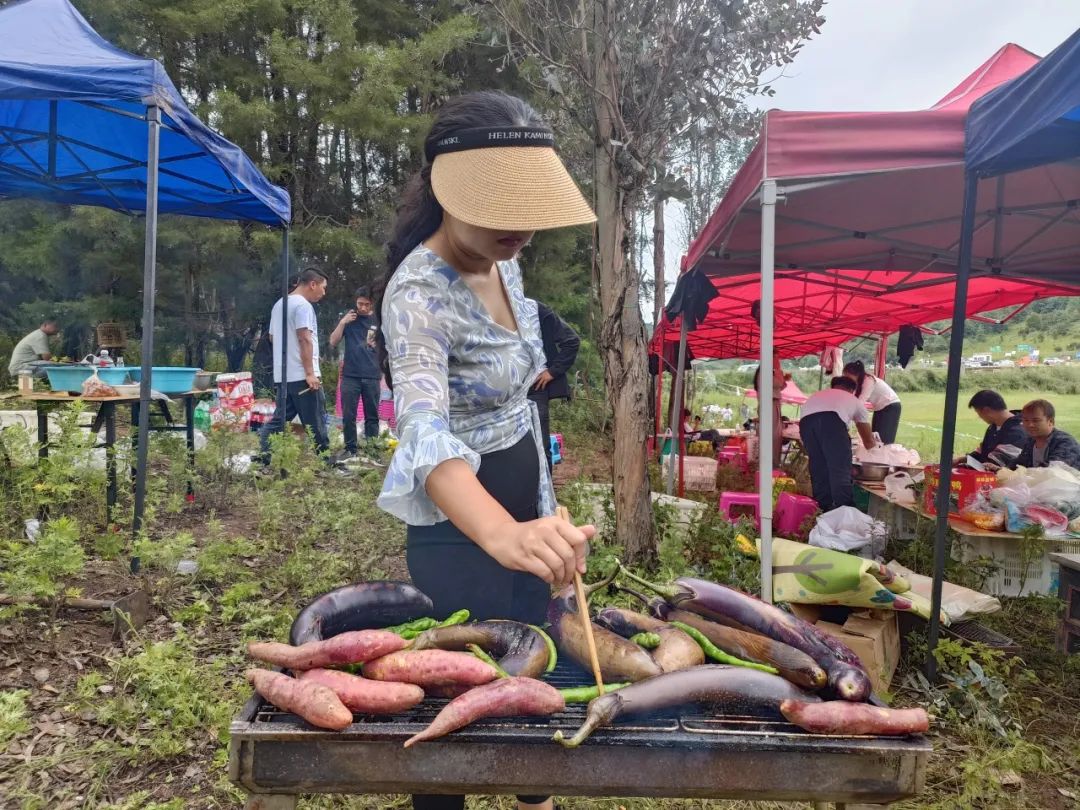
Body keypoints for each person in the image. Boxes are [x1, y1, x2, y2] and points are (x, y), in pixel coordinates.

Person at [373, 90, 596, 810]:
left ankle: (535, 795)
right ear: (445, 190)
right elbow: (422, 428)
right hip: (460, 534)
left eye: (527, 208)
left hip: (525, 507)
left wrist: (540, 515)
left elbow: (517, 395)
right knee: (452, 704)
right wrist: (501, 531)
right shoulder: (418, 294)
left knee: (534, 673)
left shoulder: (505, 260)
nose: (520, 228)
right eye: (499, 207)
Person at [257, 268, 330, 464]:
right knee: (316, 420)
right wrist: (310, 372)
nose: (324, 293)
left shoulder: (279, 304)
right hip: (302, 376)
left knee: (279, 420)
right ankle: (327, 462)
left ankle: (263, 458)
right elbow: (304, 338)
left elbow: (272, 337)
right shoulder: (303, 306)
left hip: (284, 376)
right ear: (312, 284)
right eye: (323, 287)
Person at [800, 376, 877, 512]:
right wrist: (878, 455)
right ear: (852, 390)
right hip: (831, 421)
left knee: (818, 468)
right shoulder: (854, 401)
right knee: (839, 469)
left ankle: (822, 510)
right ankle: (845, 511)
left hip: (806, 423)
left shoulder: (819, 395)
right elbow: (869, 441)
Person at [329, 286, 382, 459]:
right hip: (351, 375)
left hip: (372, 374)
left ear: (372, 303)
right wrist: (342, 322)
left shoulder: (379, 320)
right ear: (356, 302)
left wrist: (378, 346)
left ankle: (372, 450)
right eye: (360, 304)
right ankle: (350, 449)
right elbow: (333, 341)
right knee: (348, 415)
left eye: (367, 304)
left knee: (372, 415)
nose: (363, 308)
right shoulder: (349, 319)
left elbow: (388, 346)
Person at [527, 301, 580, 470]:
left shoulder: (535, 309)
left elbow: (571, 341)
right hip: (503, 393)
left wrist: (552, 371)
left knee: (541, 447)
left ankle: (545, 487)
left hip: (535, 389)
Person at [750, 300, 784, 467]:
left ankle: (770, 466)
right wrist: (778, 369)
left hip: (770, 404)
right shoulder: (768, 371)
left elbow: (780, 384)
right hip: (769, 405)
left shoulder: (767, 371)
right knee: (772, 438)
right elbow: (779, 383)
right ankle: (770, 468)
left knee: (773, 438)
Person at [1005, 399, 1080, 471]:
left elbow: (1053, 470)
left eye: (1036, 420)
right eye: (1026, 420)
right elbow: (1019, 463)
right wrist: (1003, 470)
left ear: (1051, 421)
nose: (1030, 425)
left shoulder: (1065, 443)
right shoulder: (1031, 441)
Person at [957, 389, 1026, 465]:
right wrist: (961, 460)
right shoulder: (993, 426)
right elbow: (982, 452)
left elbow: (999, 462)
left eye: (978, 413)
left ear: (986, 410)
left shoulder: (1017, 431)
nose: (979, 417)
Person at [842, 360, 902, 444]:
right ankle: (878, 452)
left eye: (847, 376)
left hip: (891, 406)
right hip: (879, 408)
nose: (846, 379)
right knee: (875, 437)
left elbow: (860, 402)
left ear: (856, 374)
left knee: (884, 439)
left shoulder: (869, 380)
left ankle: (885, 452)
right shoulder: (857, 383)